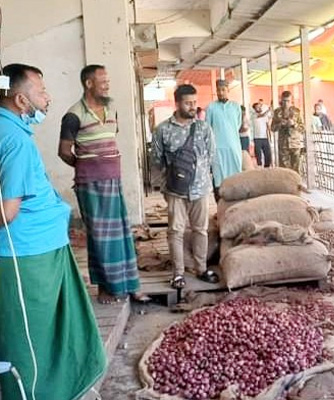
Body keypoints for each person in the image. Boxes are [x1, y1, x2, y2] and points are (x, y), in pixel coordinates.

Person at [0, 63, 106, 400]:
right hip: (26, 257)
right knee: (30, 342)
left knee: (54, 335)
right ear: (21, 100)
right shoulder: (14, 141)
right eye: (40, 92)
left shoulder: (9, 130)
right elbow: (8, 211)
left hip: (41, 250)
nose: (47, 98)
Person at [58, 65, 147, 305]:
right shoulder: (73, 115)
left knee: (122, 234)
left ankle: (130, 284)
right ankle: (107, 288)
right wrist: (87, 165)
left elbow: (110, 137)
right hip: (90, 184)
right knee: (99, 238)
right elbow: (64, 151)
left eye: (108, 81)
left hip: (113, 180)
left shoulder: (112, 107)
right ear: (88, 84)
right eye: (103, 81)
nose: (108, 85)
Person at [152, 84, 219, 288]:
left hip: (200, 189)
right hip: (175, 191)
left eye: (194, 103)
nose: (192, 107)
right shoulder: (163, 129)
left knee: (200, 230)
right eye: (188, 103)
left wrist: (206, 180)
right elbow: (157, 159)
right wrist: (170, 181)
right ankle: (178, 274)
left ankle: (201, 269)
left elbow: (212, 155)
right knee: (175, 230)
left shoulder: (203, 127)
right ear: (178, 103)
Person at [206, 79, 242, 199]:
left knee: (236, 176)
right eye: (218, 90)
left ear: (228, 90)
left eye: (223, 90)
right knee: (219, 178)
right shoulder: (211, 107)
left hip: (234, 148)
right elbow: (208, 128)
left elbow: (237, 125)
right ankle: (220, 209)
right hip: (217, 149)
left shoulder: (236, 107)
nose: (220, 93)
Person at [271, 91, 305, 174]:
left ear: (291, 100)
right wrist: (280, 124)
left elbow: (303, 128)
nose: (286, 103)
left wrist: (294, 124)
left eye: (288, 101)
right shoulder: (277, 112)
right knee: (284, 171)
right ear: (281, 100)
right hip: (283, 144)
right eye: (284, 101)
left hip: (295, 144)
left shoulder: (297, 111)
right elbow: (272, 128)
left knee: (296, 169)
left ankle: (297, 186)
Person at [252, 102, 272, 167]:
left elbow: (268, 126)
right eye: (257, 107)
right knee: (258, 154)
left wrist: (270, 136)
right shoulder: (253, 115)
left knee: (267, 154)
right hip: (257, 138)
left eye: (260, 107)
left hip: (265, 137)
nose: (259, 108)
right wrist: (269, 109)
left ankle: (267, 167)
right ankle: (259, 167)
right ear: (254, 109)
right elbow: (261, 115)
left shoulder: (265, 117)